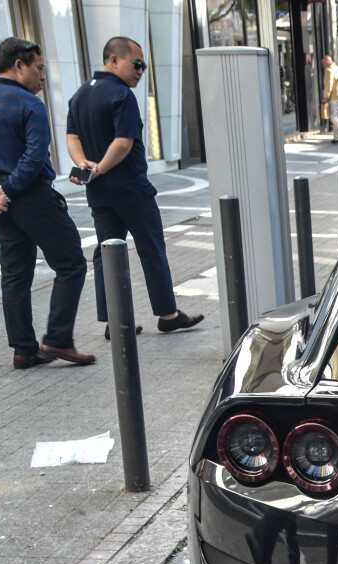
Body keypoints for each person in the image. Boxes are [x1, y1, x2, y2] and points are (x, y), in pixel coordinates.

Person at [0, 38, 94, 369]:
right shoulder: (30, 105)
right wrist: (6, 192)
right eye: (39, 68)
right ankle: (58, 339)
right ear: (19, 66)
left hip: (1, 204)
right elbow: (35, 157)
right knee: (71, 263)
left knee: (15, 273)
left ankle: (23, 349)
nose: (43, 76)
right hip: (31, 195)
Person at [67, 36, 203, 338]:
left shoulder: (78, 95)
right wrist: (100, 168)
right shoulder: (121, 95)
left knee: (106, 254)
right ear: (114, 60)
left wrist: (85, 165)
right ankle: (168, 314)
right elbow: (124, 142)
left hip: (99, 194)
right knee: (151, 249)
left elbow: (72, 137)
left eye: (144, 66)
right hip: (130, 188)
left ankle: (113, 321)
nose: (141, 71)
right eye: (137, 64)